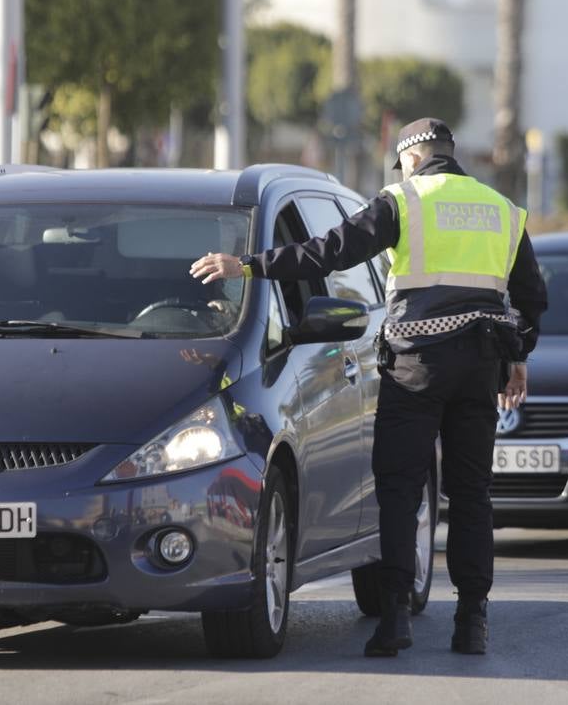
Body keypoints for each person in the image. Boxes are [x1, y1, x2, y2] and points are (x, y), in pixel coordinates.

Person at [189, 118, 547, 658]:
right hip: (479, 366)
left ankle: (396, 618)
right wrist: (518, 357)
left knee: (400, 491)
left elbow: (329, 251)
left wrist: (247, 265)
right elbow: (531, 298)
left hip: (416, 368)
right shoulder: (502, 209)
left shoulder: (403, 201)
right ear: (450, 154)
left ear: (411, 158)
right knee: (472, 496)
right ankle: (473, 622)